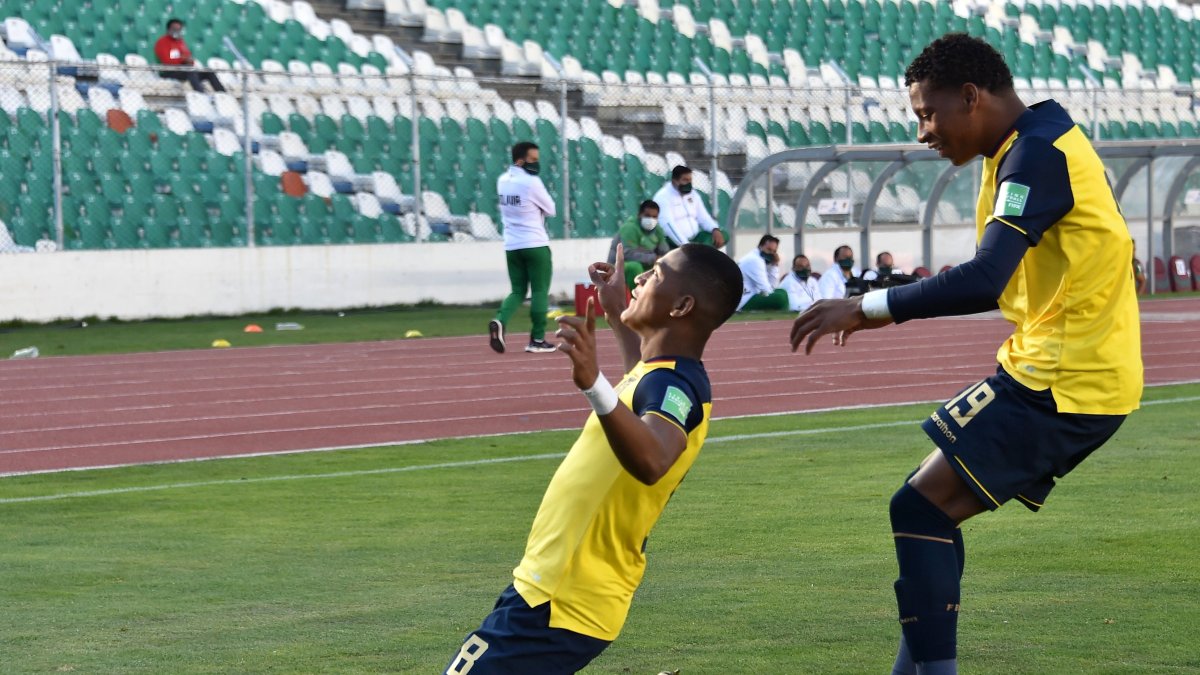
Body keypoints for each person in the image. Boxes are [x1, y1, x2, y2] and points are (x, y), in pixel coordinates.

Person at [789, 33, 1142, 675]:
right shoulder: (1033, 140)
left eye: (927, 112)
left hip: (1065, 381)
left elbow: (985, 279)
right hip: (1053, 369)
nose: (923, 131)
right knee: (927, 510)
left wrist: (868, 307)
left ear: (971, 97)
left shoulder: (1035, 154)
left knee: (918, 506)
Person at [447, 243, 744, 675]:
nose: (641, 277)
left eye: (656, 275)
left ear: (681, 306)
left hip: (564, 596)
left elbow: (654, 458)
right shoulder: (660, 374)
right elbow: (638, 380)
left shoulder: (677, 387)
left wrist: (592, 382)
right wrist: (616, 309)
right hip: (558, 587)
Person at [489, 141, 558, 354]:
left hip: (512, 244)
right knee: (539, 291)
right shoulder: (531, 182)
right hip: (535, 243)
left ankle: (500, 320)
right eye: (533, 159)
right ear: (521, 160)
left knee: (517, 290)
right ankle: (537, 339)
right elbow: (551, 209)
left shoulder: (502, 181)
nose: (537, 164)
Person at [653, 165, 728, 249]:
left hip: (695, 238)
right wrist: (686, 245)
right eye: (685, 180)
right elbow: (668, 225)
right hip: (674, 242)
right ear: (675, 181)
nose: (689, 183)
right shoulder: (663, 197)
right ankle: (698, 253)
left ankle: (699, 252)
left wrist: (714, 229)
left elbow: (703, 217)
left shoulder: (693, 194)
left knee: (723, 235)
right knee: (701, 250)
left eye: (690, 180)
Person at [608, 199, 670, 289]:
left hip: (644, 266)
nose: (651, 219)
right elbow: (627, 254)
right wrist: (654, 258)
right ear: (639, 215)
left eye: (654, 217)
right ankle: (639, 297)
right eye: (647, 216)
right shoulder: (630, 228)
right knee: (635, 267)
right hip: (619, 267)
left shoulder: (658, 230)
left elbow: (665, 252)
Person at [153, 19, 227, 93]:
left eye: (179, 29)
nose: (177, 31)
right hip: (168, 72)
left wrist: (188, 60)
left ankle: (223, 95)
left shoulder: (180, 41)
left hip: (183, 70)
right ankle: (201, 95)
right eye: (174, 29)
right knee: (190, 71)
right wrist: (182, 59)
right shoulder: (162, 42)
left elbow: (189, 58)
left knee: (208, 72)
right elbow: (167, 61)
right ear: (168, 29)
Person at [736, 234, 790, 311]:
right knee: (779, 298)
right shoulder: (755, 260)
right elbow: (766, 289)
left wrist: (774, 265)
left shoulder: (759, 259)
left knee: (782, 292)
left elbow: (772, 286)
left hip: (753, 294)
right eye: (769, 249)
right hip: (743, 300)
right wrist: (772, 293)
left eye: (774, 251)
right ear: (760, 246)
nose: (771, 253)